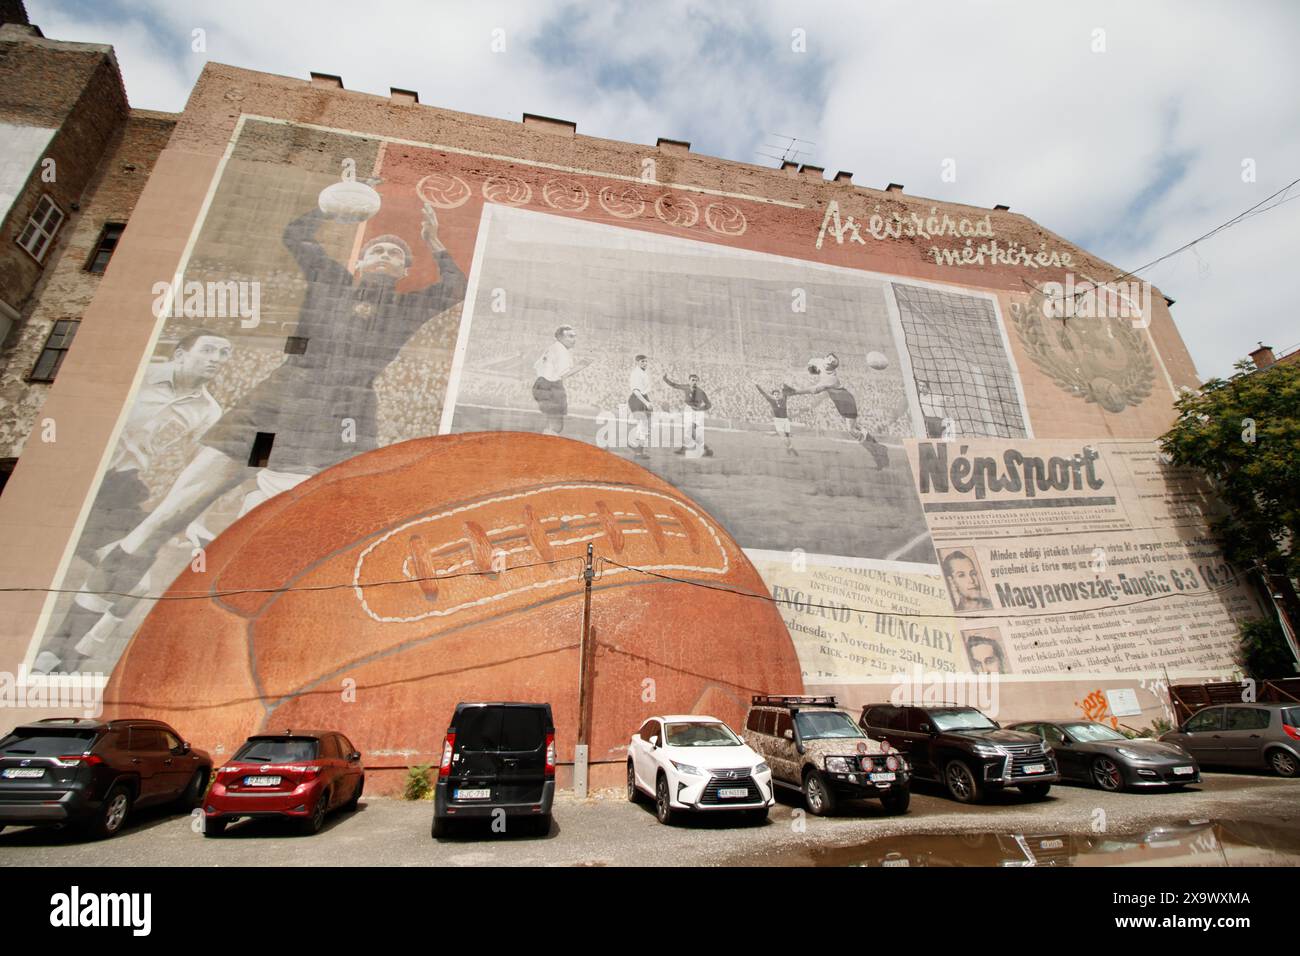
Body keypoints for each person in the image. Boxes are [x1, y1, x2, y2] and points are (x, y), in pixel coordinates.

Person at [37, 200, 466, 673]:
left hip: (331, 424)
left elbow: (455, 287)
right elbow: (296, 237)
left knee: (264, 547)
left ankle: (198, 655)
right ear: (359, 261)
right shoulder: (329, 279)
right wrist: (332, 205)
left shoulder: (407, 308)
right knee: (163, 520)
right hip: (271, 407)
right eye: (378, 248)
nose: (385, 254)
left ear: (404, 269)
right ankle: (62, 644)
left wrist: (433, 240)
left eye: (395, 253)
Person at [787, 352, 888, 469]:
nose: (828, 361)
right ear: (825, 358)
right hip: (840, 401)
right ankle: (877, 448)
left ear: (832, 366)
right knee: (856, 427)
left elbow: (813, 390)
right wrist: (812, 368)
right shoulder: (820, 362)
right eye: (828, 358)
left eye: (831, 362)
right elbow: (812, 364)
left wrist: (795, 392)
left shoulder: (830, 379)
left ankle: (877, 451)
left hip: (845, 401)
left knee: (851, 430)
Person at [532, 325, 591, 435]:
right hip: (551, 386)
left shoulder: (552, 348)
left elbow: (537, 366)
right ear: (560, 337)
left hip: (541, 384)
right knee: (557, 426)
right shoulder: (562, 351)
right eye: (570, 336)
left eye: (575, 336)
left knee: (551, 423)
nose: (574, 339)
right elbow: (564, 375)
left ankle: (544, 444)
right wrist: (582, 365)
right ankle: (547, 448)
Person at [663, 372, 713, 457]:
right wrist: (665, 379)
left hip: (696, 413)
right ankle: (684, 449)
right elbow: (674, 385)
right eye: (693, 380)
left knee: (693, 433)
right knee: (687, 431)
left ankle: (706, 449)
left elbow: (709, 404)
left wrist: (700, 409)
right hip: (688, 410)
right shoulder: (686, 387)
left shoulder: (701, 392)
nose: (695, 382)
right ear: (689, 381)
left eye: (696, 380)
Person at [754, 381, 797, 456]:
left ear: (779, 395)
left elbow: (785, 391)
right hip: (778, 421)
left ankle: (789, 448)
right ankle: (791, 448)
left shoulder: (783, 399)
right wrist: (757, 385)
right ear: (773, 395)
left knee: (787, 437)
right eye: (775, 394)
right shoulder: (771, 401)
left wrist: (784, 385)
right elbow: (763, 393)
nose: (776, 395)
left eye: (777, 394)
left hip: (786, 420)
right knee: (782, 436)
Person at [627, 354, 653, 459]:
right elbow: (636, 391)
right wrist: (646, 403)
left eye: (646, 361)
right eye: (642, 361)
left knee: (644, 425)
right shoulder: (636, 374)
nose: (645, 363)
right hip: (638, 399)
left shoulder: (643, 373)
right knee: (644, 425)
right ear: (637, 362)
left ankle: (633, 444)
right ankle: (638, 452)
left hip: (642, 398)